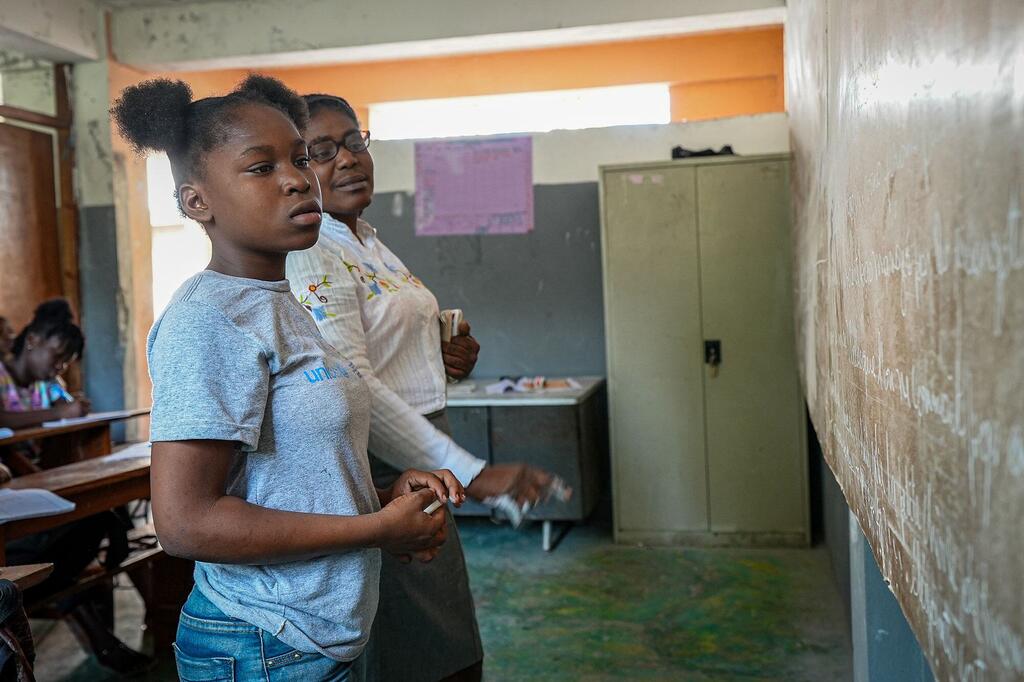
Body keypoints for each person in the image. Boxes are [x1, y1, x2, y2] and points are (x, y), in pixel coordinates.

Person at [112, 75, 457, 681]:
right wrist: (376, 529)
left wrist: (384, 502)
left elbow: (282, 485)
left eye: (299, 159)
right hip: (263, 642)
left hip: (312, 637)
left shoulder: (279, 303)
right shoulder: (209, 319)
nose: (298, 179)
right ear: (197, 202)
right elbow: (186, 523)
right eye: (261, 167)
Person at [286, 93, 556, 682]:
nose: (347, 159)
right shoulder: (312, 252)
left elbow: (384, 352)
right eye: (322, 151)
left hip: (423, 451)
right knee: (418, 647)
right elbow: (352, 384)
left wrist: (444, 356)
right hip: (382, 466)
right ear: (296, 170)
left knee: (445, 638)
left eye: (354, 142)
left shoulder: (366, 242)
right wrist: (471, 471)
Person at [0, 300, 151, 675]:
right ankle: (102, 637)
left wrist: (72, 407)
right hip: (15, 495)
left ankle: (114, 622)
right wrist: (59, 413)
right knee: (93, 527)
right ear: (32, 341)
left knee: (103, 516)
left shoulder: (48, 385)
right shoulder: (2, 376)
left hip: (38, 485)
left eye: (66, 362)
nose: (59, 367)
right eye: (57, 356)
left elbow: (68, 409)